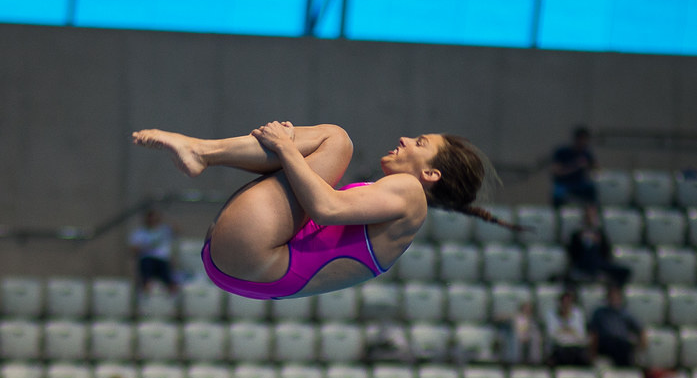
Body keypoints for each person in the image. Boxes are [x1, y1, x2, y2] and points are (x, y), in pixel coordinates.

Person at [133, 121, 512, 301]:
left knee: (337, 140)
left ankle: (201, 150)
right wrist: (287, 149)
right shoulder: (400, 214)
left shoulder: (411, 192)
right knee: (315, 148)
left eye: (420, 142)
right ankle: (200, 151)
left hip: (252, 254)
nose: (404, 138)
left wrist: (286, 147)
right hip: (241, 270)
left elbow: (326, 207)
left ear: (430, 174)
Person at [566, 205, 630, 287]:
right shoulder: (577, 235)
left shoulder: (600, 234)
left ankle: (614, 291)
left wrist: (598, 242)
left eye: (592, 216)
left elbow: (606, 252)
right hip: (583, 264)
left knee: (624, 272)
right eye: (588, 216)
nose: (590, 218)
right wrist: (582, 240)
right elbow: (573, 253)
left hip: (599, 264)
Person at [588, 284, 645, 368]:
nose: (613, 299)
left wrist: (640, 346)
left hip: (621, 344)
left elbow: (640, 329)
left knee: (625, 348)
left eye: (616, 296)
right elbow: (593, 332)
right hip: (605, 343)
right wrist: (592, 350)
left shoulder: (625, 314)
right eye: (611, 296)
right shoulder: (599, 313)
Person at [129, 208, 179, 295]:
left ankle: (171, 288)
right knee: (147, 265)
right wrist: (144, 247)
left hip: (162, 259)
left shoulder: (164, 230)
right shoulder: (140, 233)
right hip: (147, 258)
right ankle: (147, 286)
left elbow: (177, 230)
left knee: (165, 271)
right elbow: (133, 248)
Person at [549, 126, 598, 208]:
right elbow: (556, 171)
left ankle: (591, 213)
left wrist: (590, 165)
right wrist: (575, 166)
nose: (584, 142)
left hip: (579, 183)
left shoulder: (585, 153)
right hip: (563, 183)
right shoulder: (562, 152)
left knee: (592, 191)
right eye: (581, 139)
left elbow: (596, 168)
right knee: (558, 196)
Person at [544, 288, 591, 367]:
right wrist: (570, 331)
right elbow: (552, 335)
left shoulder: (578, 314)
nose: (566, 305)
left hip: (575, 348)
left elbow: (581, 335)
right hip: (559, 348)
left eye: (568, 302)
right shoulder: (551, 314)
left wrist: (564, 331)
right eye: (564, 302)